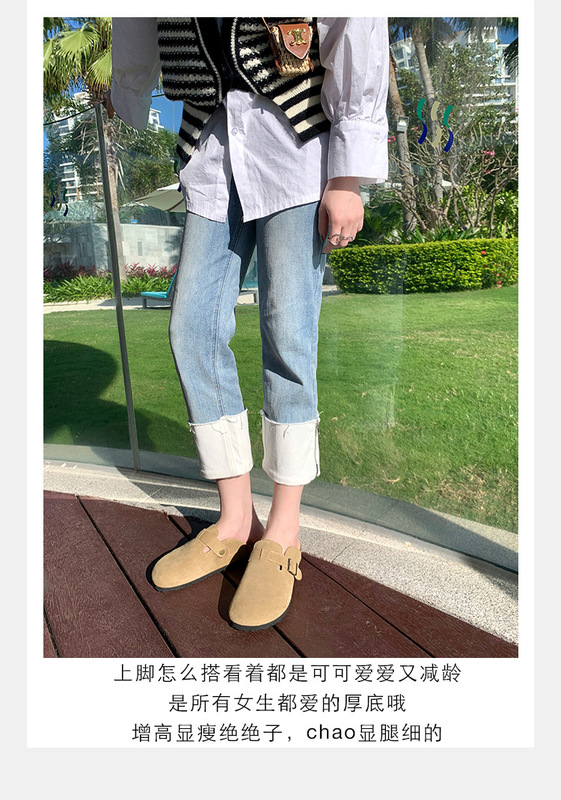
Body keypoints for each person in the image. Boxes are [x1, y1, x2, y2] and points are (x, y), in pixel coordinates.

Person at [109, 16, 389, 630]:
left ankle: (283, 532)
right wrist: (127, 85)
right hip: (211, 145)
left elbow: (355, 21)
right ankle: (235, 521)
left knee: (288, 334)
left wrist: (348, 176)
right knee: (191, 328)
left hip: (295, 141)